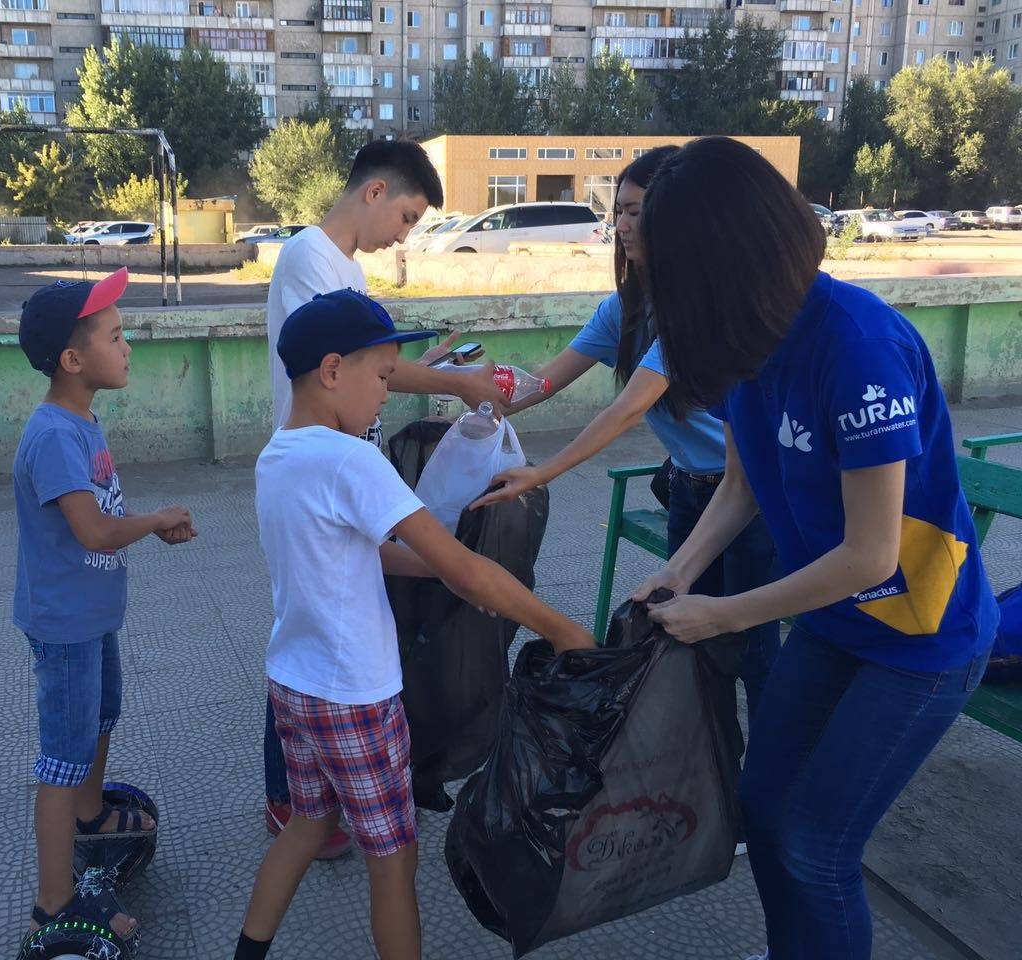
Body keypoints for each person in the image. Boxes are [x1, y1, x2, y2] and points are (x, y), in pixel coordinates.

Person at [630, 137, 998, 960]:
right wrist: (678, 570)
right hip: (834, 625)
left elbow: (871, 556)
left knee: (815, 842)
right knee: (763, 812)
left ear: (724, 263)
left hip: (919, 641)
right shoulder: (748, 344)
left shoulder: (858, 350)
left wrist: (723, 613)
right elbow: (742, 484)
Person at [235, 289, 594, 960]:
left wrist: (441, 571)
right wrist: (562, 630)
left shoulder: (280, 454)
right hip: (355, 697)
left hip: (293, 683)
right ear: (333, 371)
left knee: (308, 825)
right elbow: (463, 566)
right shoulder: (353, 460)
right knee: (394, 858)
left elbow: (360, 552)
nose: (387, 394)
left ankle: (247, 952)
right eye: (383, 376)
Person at [472, 145, 781, 728]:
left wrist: (542, 472)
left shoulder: (697, 312)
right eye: (620, 211)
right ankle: (708, 763)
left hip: (748, 498)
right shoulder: (626, 309)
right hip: (693, 493)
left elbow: (628, 411)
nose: (624, 225)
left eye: (639, 211)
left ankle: (766, 783)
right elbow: (544, 381)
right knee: (691, 636)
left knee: (752, 646)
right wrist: (468, 386)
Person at [261, 138, 504, 857]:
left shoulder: (337, 267)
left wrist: (417, 365)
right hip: (323, 466)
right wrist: (458, 384)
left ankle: (323, 788)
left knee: (330, 614)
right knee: (309, 627)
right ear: (374, 192)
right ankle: (290, 796)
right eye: (406, 215)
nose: (404, 233)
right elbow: (349, 371)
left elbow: (370, 367)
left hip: (338, 462)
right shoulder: (311, 259)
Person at [13, 267, 198, 942]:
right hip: (65, 625)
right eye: (116, 337)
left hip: (91, 614)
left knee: (101, 718)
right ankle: (52, 904)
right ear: (73, 359)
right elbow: (93, 530)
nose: (128, 348)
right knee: (63, 755)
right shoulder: (56, 434)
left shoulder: (80, 420)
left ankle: (90, 816)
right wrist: (153, 521)